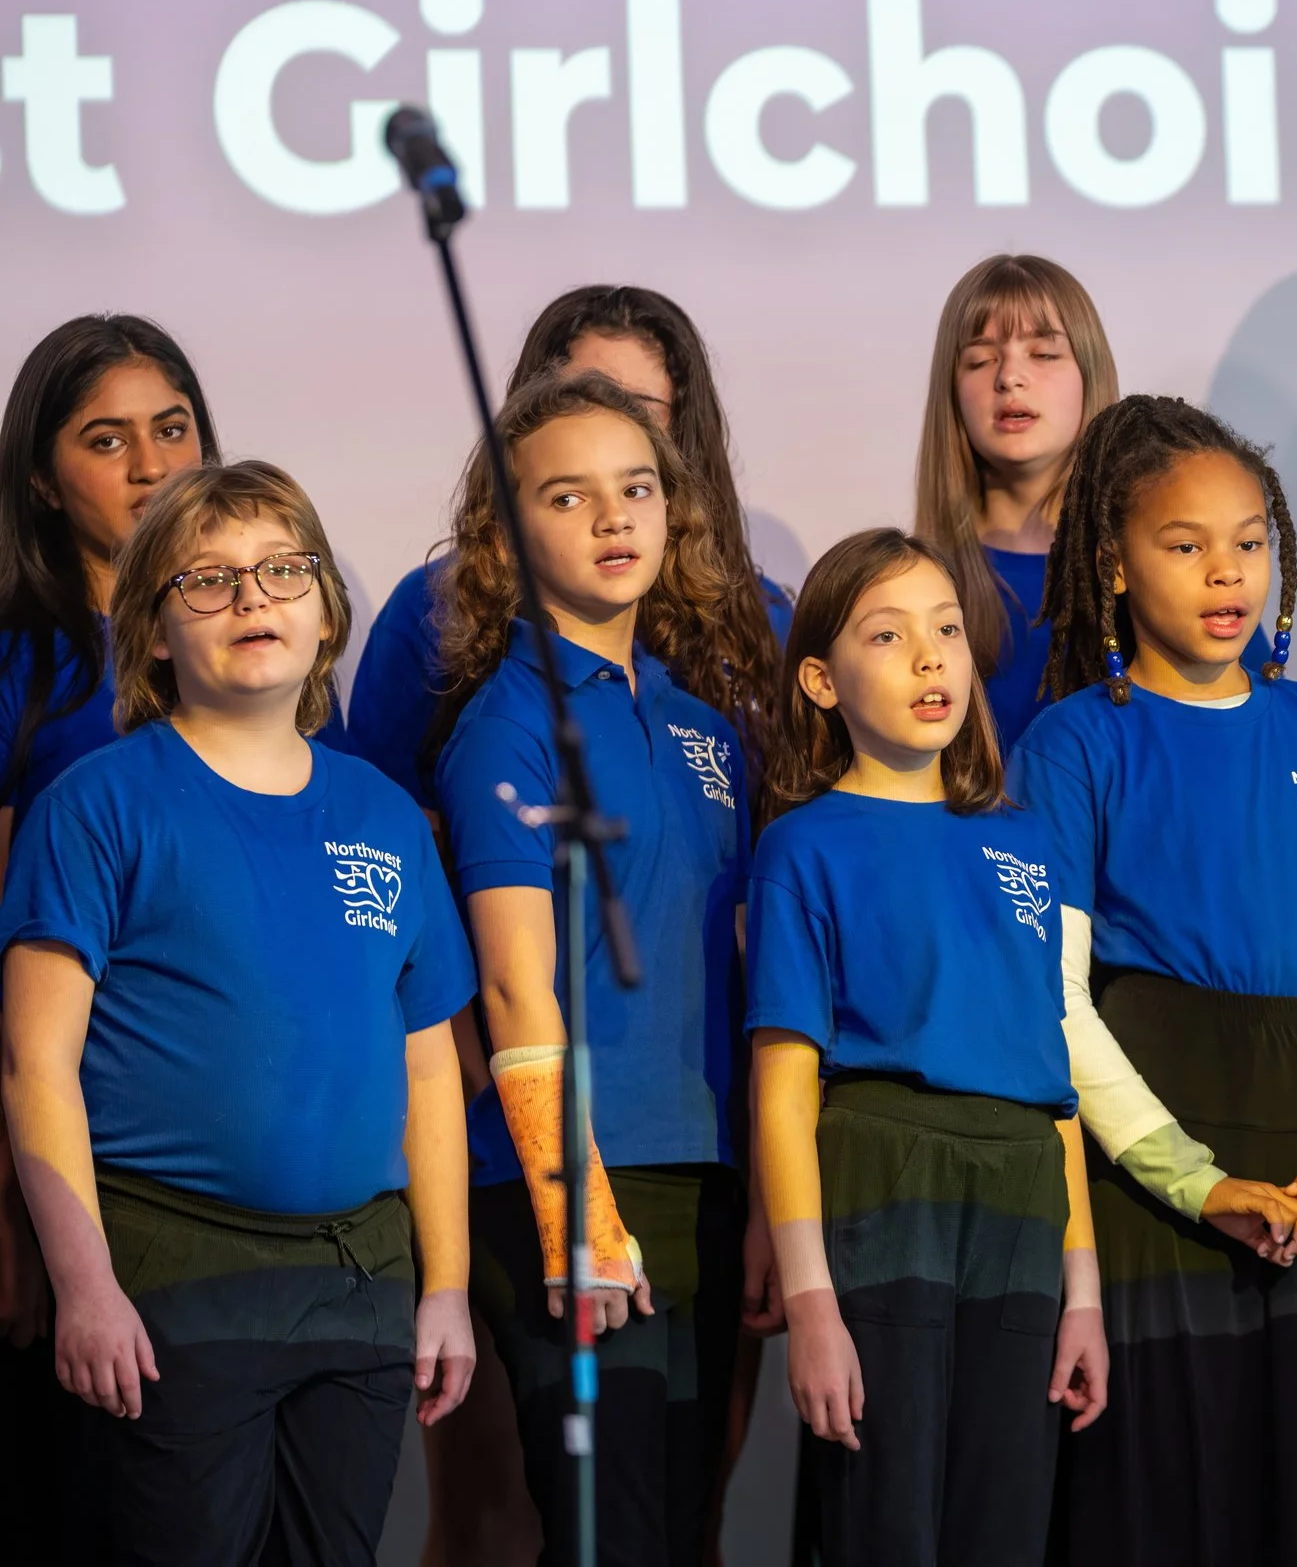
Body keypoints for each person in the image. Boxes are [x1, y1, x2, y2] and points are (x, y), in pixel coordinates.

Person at [0, 461, 476, 1564]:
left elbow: (428, 1072)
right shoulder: (97, 805)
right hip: (174, 1279)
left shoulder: (385, 816)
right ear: (153, 632)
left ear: (327, 612)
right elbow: (34, 1063)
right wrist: (84, 1284)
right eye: (207, 578)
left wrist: (445, 1286)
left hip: (359, 1282)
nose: (252, 596)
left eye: (281, 569)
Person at [1010, 394, 1297, 1567]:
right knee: (1179, 1495)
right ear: (1114, 563)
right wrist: (1191, 1181)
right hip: (1162, 1168)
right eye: (1184, 543)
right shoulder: (1074, 743)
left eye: (1249, 540)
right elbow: (1054, 1000)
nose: (1225, 570)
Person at [0, 314, 345, 1558]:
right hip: (79, 1144)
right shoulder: (29, 665)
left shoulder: (276, 660)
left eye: (172, 427)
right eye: (106, 440)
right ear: (44, 478)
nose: (149, 463)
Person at [432, 370, 756, 1567]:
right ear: (504, 540)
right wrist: (577, 1211)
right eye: (568, 496)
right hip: (574, 1183)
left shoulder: (704, 727)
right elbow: (514, 988)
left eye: (636, 488)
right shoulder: (506, 725)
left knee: (680, 1530)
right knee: (605, 1536)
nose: (613, 516)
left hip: (704, 1178)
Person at [747, 527, 1108, 1564]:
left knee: (1003, 1523)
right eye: (888, 634)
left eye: (946, 630)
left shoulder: (1024, 838)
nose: (928, 657)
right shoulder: (803, 845)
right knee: (886, 1518)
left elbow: (1053, 1082)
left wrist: (1083, 1294)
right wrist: (813, 1301)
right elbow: (784, 1091)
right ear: (821, 679)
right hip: (885, 1178)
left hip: (1021, 1199)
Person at [351, 283, 788, 809]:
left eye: (638, 406)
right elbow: (378, 814)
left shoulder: (759, 619)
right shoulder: (431, 606)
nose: (606, 417)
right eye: (585, 392)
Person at [911, 255, 1117, 753]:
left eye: (1043, 353)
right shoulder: (909, 587)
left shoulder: (1160, 572)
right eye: (981, 360)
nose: (1009, 377)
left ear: (1090, 372)